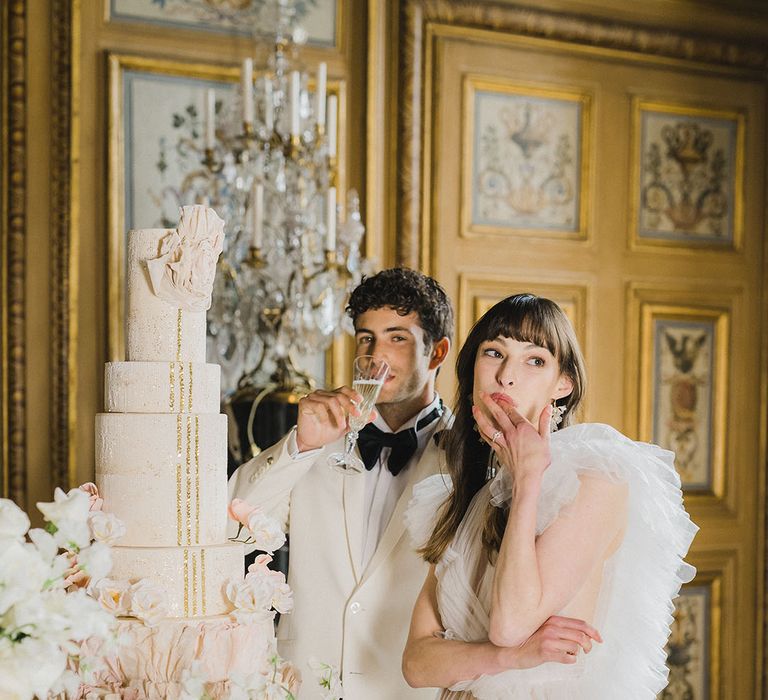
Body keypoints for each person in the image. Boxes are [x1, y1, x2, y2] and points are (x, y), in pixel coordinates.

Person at [402, 293, 698, 699]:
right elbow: (417, 665)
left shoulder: (595, 480)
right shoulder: (465, 499)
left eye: (534, 360)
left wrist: (527, 482)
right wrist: (508, 658)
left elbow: (511, 626)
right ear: (473, 369)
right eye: (494, 352)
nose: (507, 375)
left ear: (564, 384)